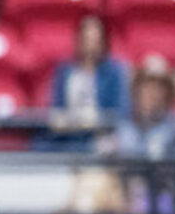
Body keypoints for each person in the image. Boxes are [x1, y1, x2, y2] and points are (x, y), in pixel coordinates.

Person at [115, 58, 175, 214]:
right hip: (125, 201)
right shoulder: (125, 126)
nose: (153, 93)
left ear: (168, 93)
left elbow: (174, 172)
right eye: (147, 86)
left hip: (162, 201)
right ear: (137, 91)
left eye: (159, 87)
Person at [42, 14, 130, 150]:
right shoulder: (65, 71)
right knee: (41, 144)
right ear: (78, 41)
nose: (91, 45)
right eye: (86, 39)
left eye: (95, 40)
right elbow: (57, 109)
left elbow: (120, 111)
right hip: (69, 135)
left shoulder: (114, 72)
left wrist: (94, 120)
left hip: (101, 136)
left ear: (104, 42)